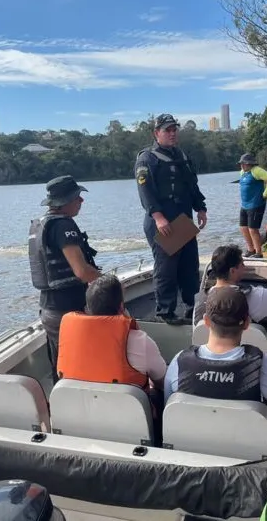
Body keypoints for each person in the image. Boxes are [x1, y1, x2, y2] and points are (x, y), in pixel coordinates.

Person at [165, 285, 267, 409]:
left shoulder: (179, 362)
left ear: (206, 321)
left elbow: (169, 406)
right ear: (247, 323)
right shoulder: (264, 366)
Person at [56, 275, 168, 432]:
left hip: (81, 418)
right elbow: (162, 381)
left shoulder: (68, 336)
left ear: (87, 309)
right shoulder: (140, 341)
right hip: (128, 421)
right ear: (121, 308)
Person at [135, 114, 208, 325]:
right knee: (166, 269)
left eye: (174, 129)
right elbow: (145, 190)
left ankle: (192, 307)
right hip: (163, 221)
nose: (172, 133)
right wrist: (158, 216)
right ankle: (165, 311)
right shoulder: (147, 158)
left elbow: (191, 185)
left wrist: (200, 208)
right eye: (167, 130)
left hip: (183, 218)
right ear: (156, 133)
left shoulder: (181, 155)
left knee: (188, 265)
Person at [28, 175, 101, 382]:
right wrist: (108, 282)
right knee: (79, 367)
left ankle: (61, 407)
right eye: (78, 197)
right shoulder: (63, 226)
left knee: (61, 365)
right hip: (68, 310)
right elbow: (82, 272)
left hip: (49, 309)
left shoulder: (41, 224)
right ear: (65, 201)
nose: (81, 201)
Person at [237, 153, 267, 258]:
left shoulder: (256, 170)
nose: (242, 166)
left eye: (244, 164)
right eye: (241, 164)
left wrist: (266, 194)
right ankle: (251, 249)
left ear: (250, 164)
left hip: (256, 205)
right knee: (243, 228)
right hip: (244, 205)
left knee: (253, 229)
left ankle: (258, 252)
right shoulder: (242, 172)